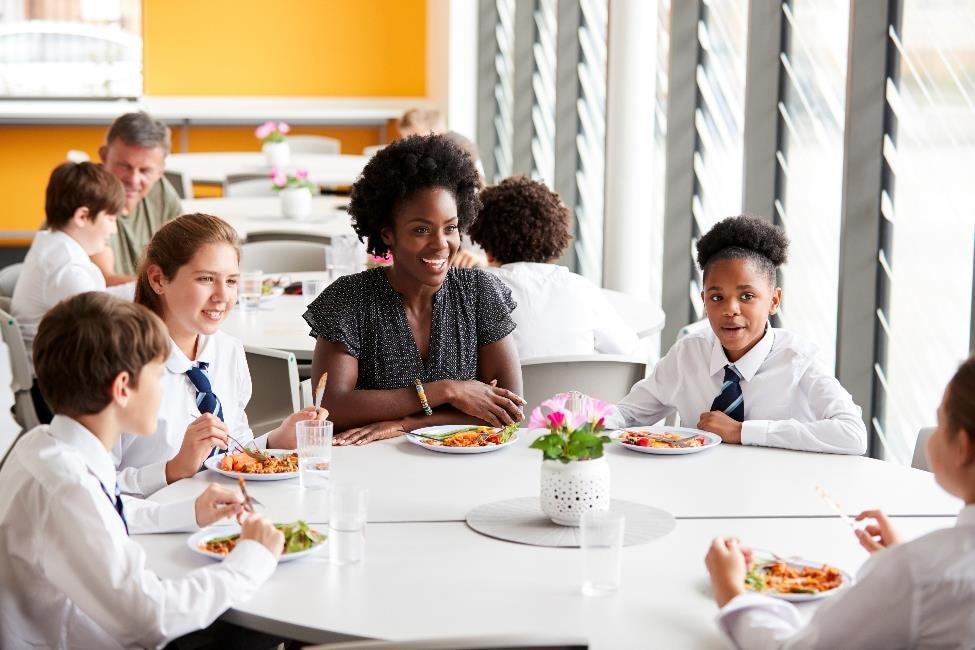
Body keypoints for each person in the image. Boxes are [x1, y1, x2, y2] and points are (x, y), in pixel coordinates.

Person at [0, 291, 285, 648]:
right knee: (256, 626)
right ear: (122, 388)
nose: (163, 388)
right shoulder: (66, 487)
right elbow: (151, 619)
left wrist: (188, 512)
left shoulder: (44, 444)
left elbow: (109, 510)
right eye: (157, 375)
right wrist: (251, 559)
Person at [705, 354, 975, 647]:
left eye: (940, 421)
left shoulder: (918, 572)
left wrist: (732, 592)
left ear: (962, 448)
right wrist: (900, 563)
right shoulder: (922, 570)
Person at [304, 134, 525, 446]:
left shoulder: (481, 293)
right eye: (421, 230)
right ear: (388, 234)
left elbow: (509, 410)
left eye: (450, 228)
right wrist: (448, 391)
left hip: (467, 473)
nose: (440, 244)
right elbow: (331, 407)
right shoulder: (349, 299)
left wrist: (405, 423)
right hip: (369, 473)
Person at [604, 215, 867, 454]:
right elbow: (629, 414)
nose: (730, 309)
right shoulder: (688, 353)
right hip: (696, 491)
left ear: (774, 300)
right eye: (717, 297)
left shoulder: (799, 360)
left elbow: (852, 433)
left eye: (747, 296)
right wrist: (580, 415)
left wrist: (743, 432)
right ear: (704, 301)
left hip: (779, 493)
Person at [114, 213, 327, 496]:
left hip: (218, 513)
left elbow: (231, 450)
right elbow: (90, 486)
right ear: (158, 279)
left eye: (231, 281)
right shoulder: (117, 361)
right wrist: (171, 470)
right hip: (147, 524)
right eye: (206, 279)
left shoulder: (227, 349)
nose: (222, 296)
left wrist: (276, 441)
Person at [11, 161, 134, 424]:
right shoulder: (68, 269)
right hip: (53, 394)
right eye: (110, 219)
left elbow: (100, 300)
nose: (113, 229)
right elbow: (105, 326)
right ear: (82, 217)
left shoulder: (51, 244)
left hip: (44, 380)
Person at [468, 175, 639, 359]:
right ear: (555, 240)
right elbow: (628, 350)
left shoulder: (474, 292)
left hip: (504, 388)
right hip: (574, 386)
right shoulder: (582, 289)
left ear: (487, 247)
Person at [92, 111, 182, 285]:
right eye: (125, 166)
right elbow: (103, 284)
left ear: (161, 170)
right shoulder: (86, 195)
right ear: (104, 156)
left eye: (145, 171)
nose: (134, 180)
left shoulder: (161, 190)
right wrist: (171, 287)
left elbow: (184, 257)